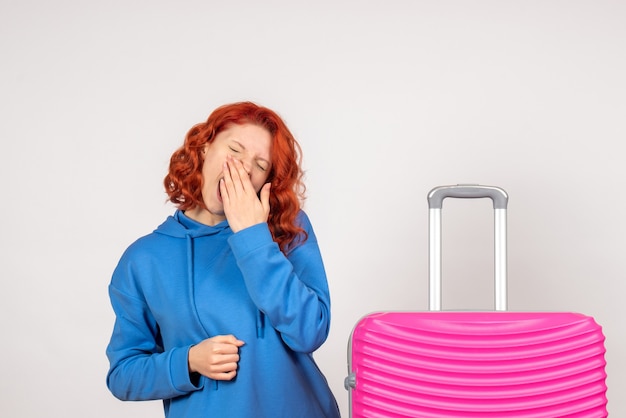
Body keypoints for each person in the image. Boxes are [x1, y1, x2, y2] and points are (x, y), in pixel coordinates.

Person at [106, 102, 340, 418]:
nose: (244, 168)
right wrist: (187, 362)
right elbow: (123, 375)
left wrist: (253, 237)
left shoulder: (286, 226)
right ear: (204, 148)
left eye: (260, 164)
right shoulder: (144, 259)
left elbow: (310, 331)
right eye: (235, 150)